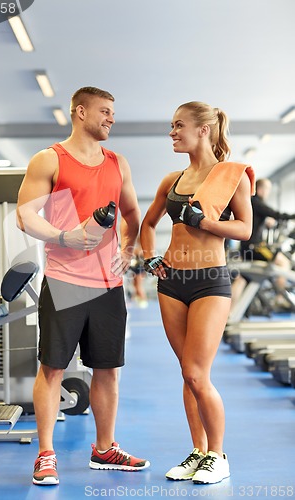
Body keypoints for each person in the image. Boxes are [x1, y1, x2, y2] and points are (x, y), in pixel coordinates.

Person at [16, 86, 149, 486]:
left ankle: (105, 448)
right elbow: (25, 215)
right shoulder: (49, 159)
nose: (111, 118)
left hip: (109, 285)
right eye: (104, 111)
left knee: (108, 369)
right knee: (53, 368)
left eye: (113, 112)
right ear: (80, 112)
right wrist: (63, 237)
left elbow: (131, 213)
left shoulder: (117, 163)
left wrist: (127, 248)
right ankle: (45, 455)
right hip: (65, 281)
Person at [140, 101, 254, 484]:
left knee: (196, 372)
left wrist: (203, 220)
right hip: (171, 281)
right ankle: (198, 451)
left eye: (178, 125)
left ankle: (218, 455)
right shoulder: (171, 179)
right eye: (171, 126)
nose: (172, 132)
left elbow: (245, 230)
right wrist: (148, 257)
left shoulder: (232, 176)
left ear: (203, 129)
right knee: (187, 375)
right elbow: (148, 222)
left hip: (209, 281)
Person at [232, 178, 295, 310]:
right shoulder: (256, 202)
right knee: (283, 262)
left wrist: (266, 222)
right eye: (267, 190)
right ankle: (279, 298)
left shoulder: (251, 203)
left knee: (242, 279)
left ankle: (229, 314)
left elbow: (257, 220)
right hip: (255, 248)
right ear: (261, 189)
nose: (268, 193)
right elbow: (276, 214)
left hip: (246, 249)